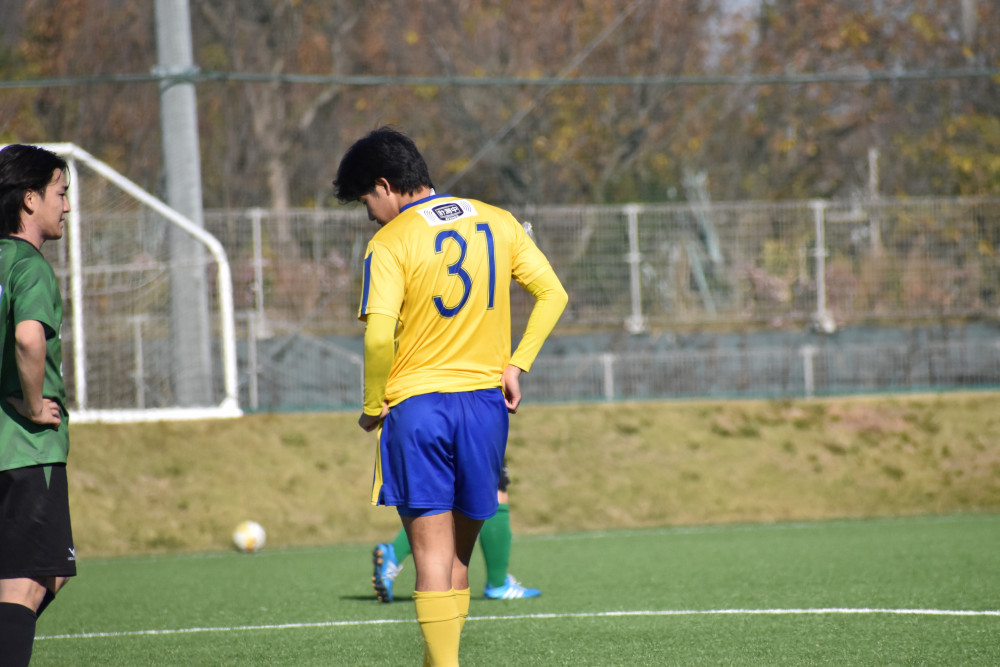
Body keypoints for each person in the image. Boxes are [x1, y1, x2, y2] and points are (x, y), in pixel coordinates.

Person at [334, 127, 567, 666]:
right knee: (459, 558)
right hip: (485, 407)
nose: (369, 214)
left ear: (386, 185)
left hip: (419, 408)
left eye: (367, 200)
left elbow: (376, 336)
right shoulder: (498, 219)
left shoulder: (390, 242)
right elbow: (552, 292)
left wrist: (372, 405)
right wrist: (517, 363)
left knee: (431, 559)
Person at [0, 144, 76, 667]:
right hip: (25, 450)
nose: (66, 206)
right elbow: (29, 339)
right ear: (30, 199)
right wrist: (31, 404)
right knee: (24, 586)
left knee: (50, 571)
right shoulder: (29, 266)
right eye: (60, 193)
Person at [372, 460, 540, 603]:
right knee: (494, 490)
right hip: (473, 424)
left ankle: (394, 553)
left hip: (432, 427)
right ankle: (498, 583)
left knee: (450, 494)